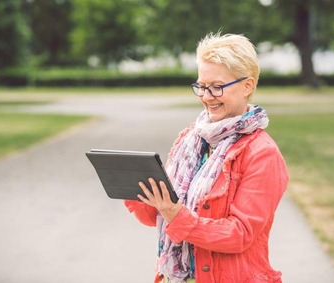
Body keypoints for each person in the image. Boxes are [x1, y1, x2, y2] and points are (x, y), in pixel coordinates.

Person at [124, 32, 289, 283]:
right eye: (201, 86)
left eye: (217, 87)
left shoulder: (262, 153)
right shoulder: (190, 139)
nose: (206, 96)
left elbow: (240, 234)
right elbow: (155, 215)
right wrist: (131, 186)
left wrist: (177, 215)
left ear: (248, 86)